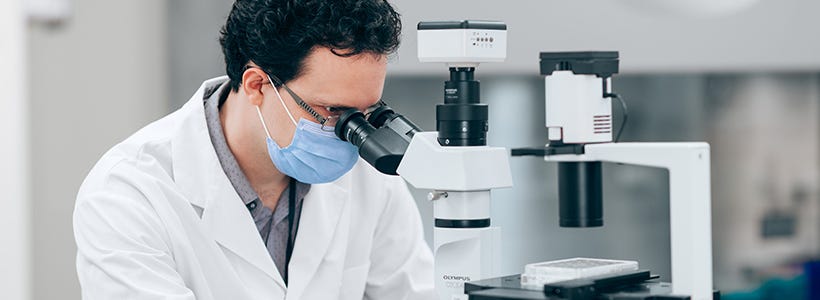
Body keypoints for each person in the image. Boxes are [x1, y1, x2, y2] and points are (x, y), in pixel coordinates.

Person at [73, 0, 434, 299]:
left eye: (367, 113)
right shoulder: (127, 194)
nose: (349, 134)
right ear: (258, 85)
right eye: (333, 113)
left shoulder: (371, 182)